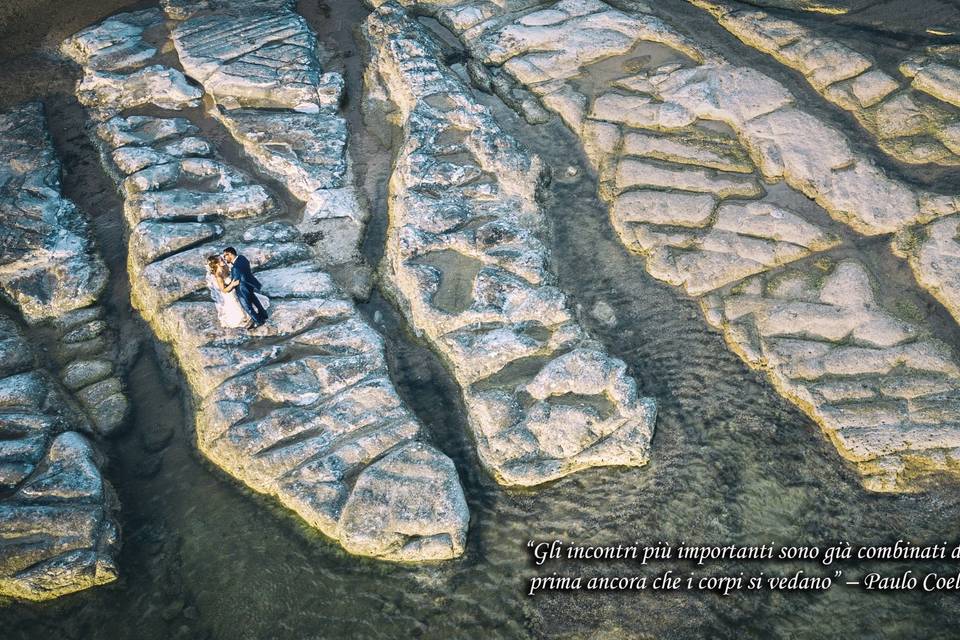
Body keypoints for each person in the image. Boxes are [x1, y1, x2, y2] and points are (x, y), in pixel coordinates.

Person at [205, 255, 269, 329]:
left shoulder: (225, 267)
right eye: (221, 260)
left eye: (223, 258)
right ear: (216, 264)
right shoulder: (218, 276)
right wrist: (232, 284)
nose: (224, 260)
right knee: (240, 311)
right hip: (229, 294)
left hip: (236, 289)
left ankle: (258, 317)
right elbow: (224, 290)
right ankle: (250, 322)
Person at [222, 247, 269, 330]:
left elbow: (234, 282)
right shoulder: (242, 258)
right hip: (250, 284)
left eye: (225, 256)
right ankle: (264, 314)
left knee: (247, 306)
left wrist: (227, 287)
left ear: (230, 254)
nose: (225, 258)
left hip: (242, 288)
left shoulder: (235, 268)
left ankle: (258, 321)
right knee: (255, 300)